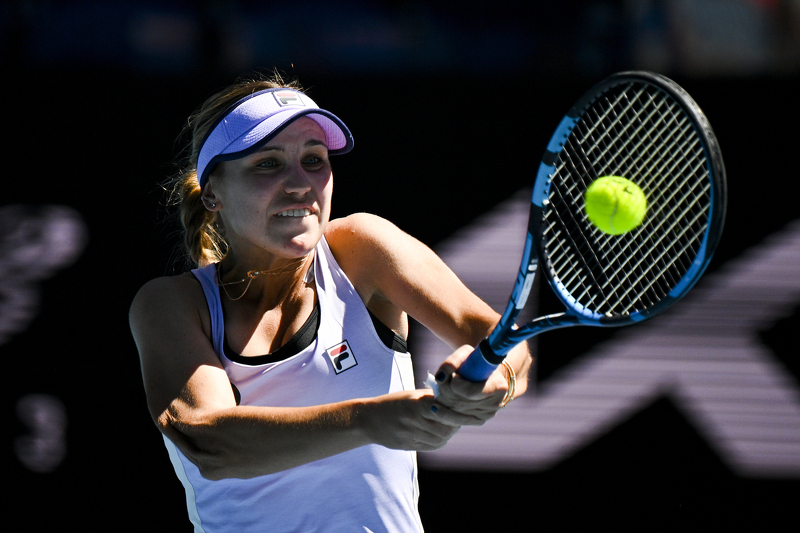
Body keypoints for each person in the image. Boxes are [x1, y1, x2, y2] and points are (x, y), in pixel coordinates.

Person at [129, 73, 531, 533]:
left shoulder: (363, 249)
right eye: (268, 164)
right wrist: (370, 421)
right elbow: (210, 443)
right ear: (213, 191)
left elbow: (500, 338)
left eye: (314, 160)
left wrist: (495, 377)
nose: (300, 184)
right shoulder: (171, 305)